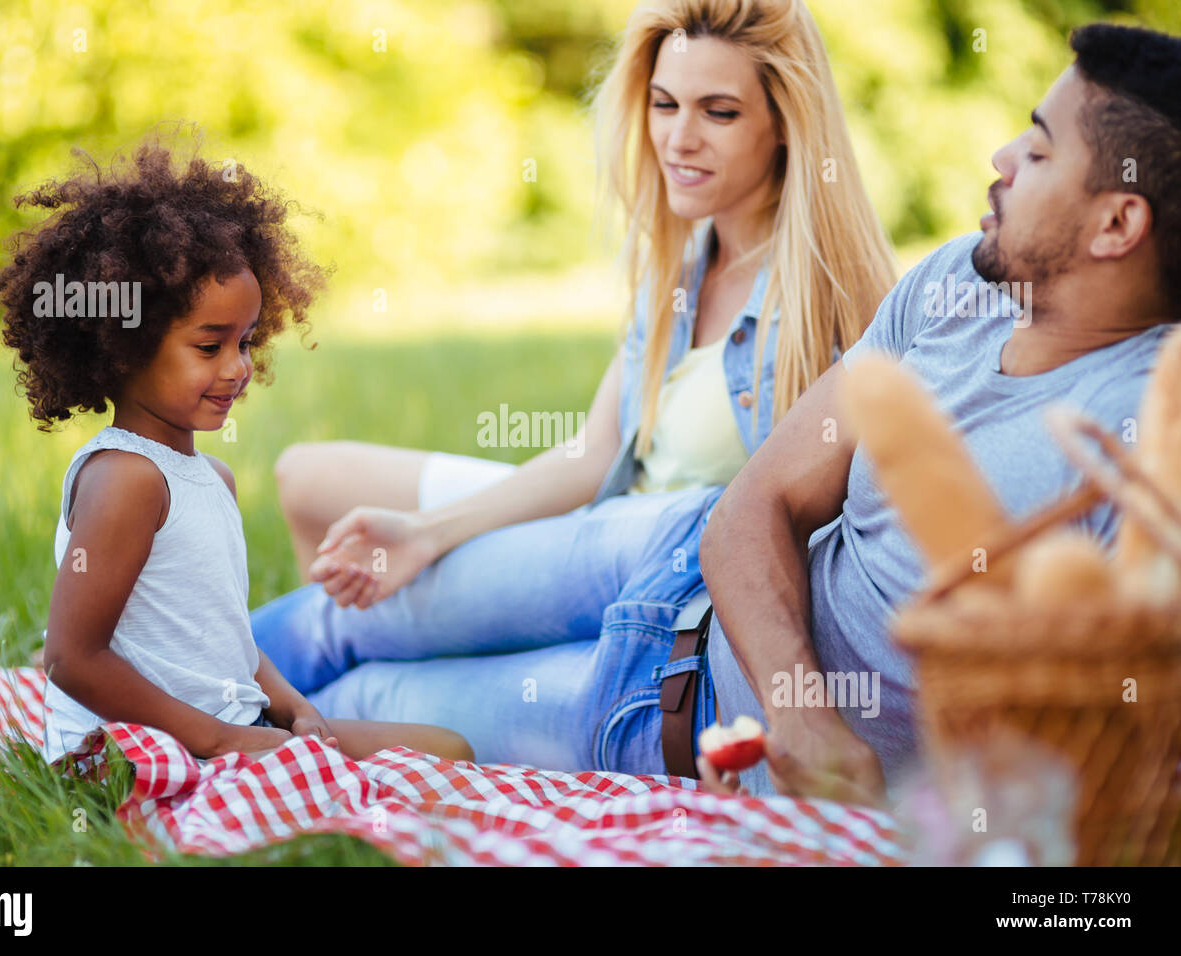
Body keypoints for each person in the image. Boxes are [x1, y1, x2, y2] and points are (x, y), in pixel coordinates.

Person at [313, 22, 1181, 799]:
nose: (997, 157)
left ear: (1117, 223)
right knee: (347, 611)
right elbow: (756, 503)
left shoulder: (1148, 442)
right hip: (674, 555)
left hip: (664, 719)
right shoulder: (958, 280)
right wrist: (801, 712)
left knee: (352, 705)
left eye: (1035, 153)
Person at [250, 0, 898, 742]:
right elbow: (594, 456)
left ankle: (167, 714)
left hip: (674, 608)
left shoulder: (832, 302)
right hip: (599, 547)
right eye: (664, 104)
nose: (679, 139)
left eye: (718, 112)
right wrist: (429, 533)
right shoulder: (681, 270)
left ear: (785, 123)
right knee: (326, 529)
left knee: (370, 686)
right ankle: (152, 693)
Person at [0, 140, 473, 765]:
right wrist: (221, 739)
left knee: (447, 749)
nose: (237, 368)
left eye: (245, 341)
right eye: (208, 346)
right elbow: (70, 658)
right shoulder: (125, 479)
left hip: (228, 725)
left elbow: (225, 639)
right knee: (429, 767)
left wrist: (291, 704)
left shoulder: (210, 478)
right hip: (131, 754)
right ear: (122, 348)